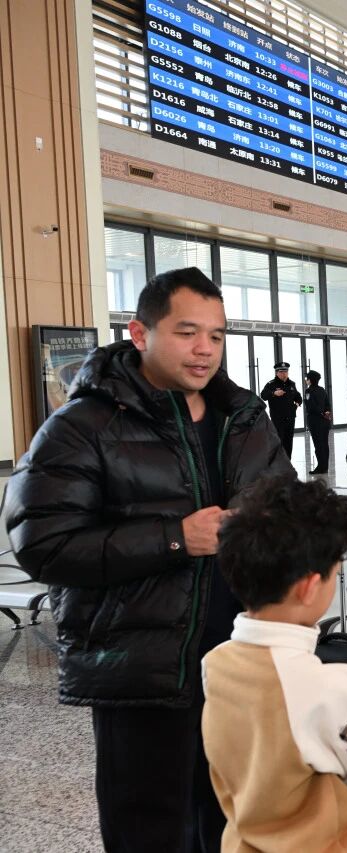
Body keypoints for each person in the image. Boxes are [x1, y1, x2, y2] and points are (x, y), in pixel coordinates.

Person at [2, 267, 292, 852]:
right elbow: (43, 544)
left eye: (216, 335)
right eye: (187, 332)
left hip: (237, 659)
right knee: (150, 828)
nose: (204, 349)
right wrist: (175, 539)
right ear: (140, 334)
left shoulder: (244, 418)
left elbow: (284, 503)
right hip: (141, 667)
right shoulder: (81, 426)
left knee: (232, 818)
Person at [205, 475, 347, 851]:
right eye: (335, 574)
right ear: (310, 587)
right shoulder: (319, 691)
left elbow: (281, 715)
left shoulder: (217, 663)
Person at [261, 361, 302, 458]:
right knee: (278, 441)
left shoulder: (292, 384)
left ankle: (288, 462)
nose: (284, 374)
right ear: (277, 373)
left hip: (290, 418)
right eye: (281, 372)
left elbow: (298, 397)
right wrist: (274, 393)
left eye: (286, 372)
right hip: (278, 419)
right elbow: (263, 395)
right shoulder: (271, 384)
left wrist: (296, 405)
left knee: (289, 441)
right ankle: (278, 463)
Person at [303, 369, 331, 475]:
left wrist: (321, 413)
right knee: (325, 444)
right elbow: (328, 404)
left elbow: (311, 407)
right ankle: (325, 467)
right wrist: (326, 412)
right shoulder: (322, 390)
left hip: (315, 421)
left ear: (310, 380)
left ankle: (320, 468)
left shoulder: (309, 391)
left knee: (318, 445)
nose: (306, 380)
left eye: (307, 378)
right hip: (325, 421)